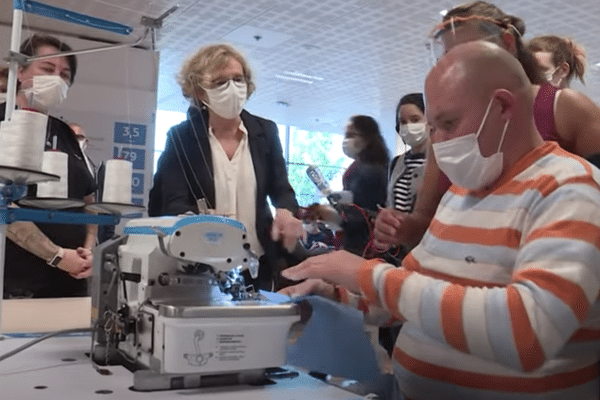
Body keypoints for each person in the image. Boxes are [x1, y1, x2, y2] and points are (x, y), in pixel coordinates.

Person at [281, 41, 600, 400]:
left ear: (504, 107)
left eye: (449, 124)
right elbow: (410, 294)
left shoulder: (569, 189)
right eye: (433, 129)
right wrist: (335, 296)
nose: (440, 144)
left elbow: (527, 333)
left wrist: (364, 274)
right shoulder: (461, 194)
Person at [373, 0, 600, 253]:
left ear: (508, 44)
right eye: (448, 57)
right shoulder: (446, 128)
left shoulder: (563, 107)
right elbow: (426, 223)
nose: (458, 66)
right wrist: (401, 227)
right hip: (458, 278)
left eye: (470, 52)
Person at [148, 43, 303, 291]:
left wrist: (285, 211)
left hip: (257, 265)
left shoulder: (266, 132)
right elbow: (170, 203)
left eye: (238, 79)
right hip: (203, 267)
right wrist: (200, 219)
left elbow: (281, 189)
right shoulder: (182, 138)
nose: (232, 88)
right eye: (220, 82)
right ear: (200, 92)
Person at [1, 35, 96, 298]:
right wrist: (56, 255)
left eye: (64, 74)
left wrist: (89, 249)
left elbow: (88, 200)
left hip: (71, 280)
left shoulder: (66, 134)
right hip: (14, 284)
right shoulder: (2, 123)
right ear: (20, 71)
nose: (57, 79)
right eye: (47, 69)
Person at [308, 115, 389, 256]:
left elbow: (358, 215)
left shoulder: (363, 169)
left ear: (367, 138)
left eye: (351, 135)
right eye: (346, 135)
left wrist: (331, 215)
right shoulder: (381, 165)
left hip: (361, 245)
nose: (346, 140)